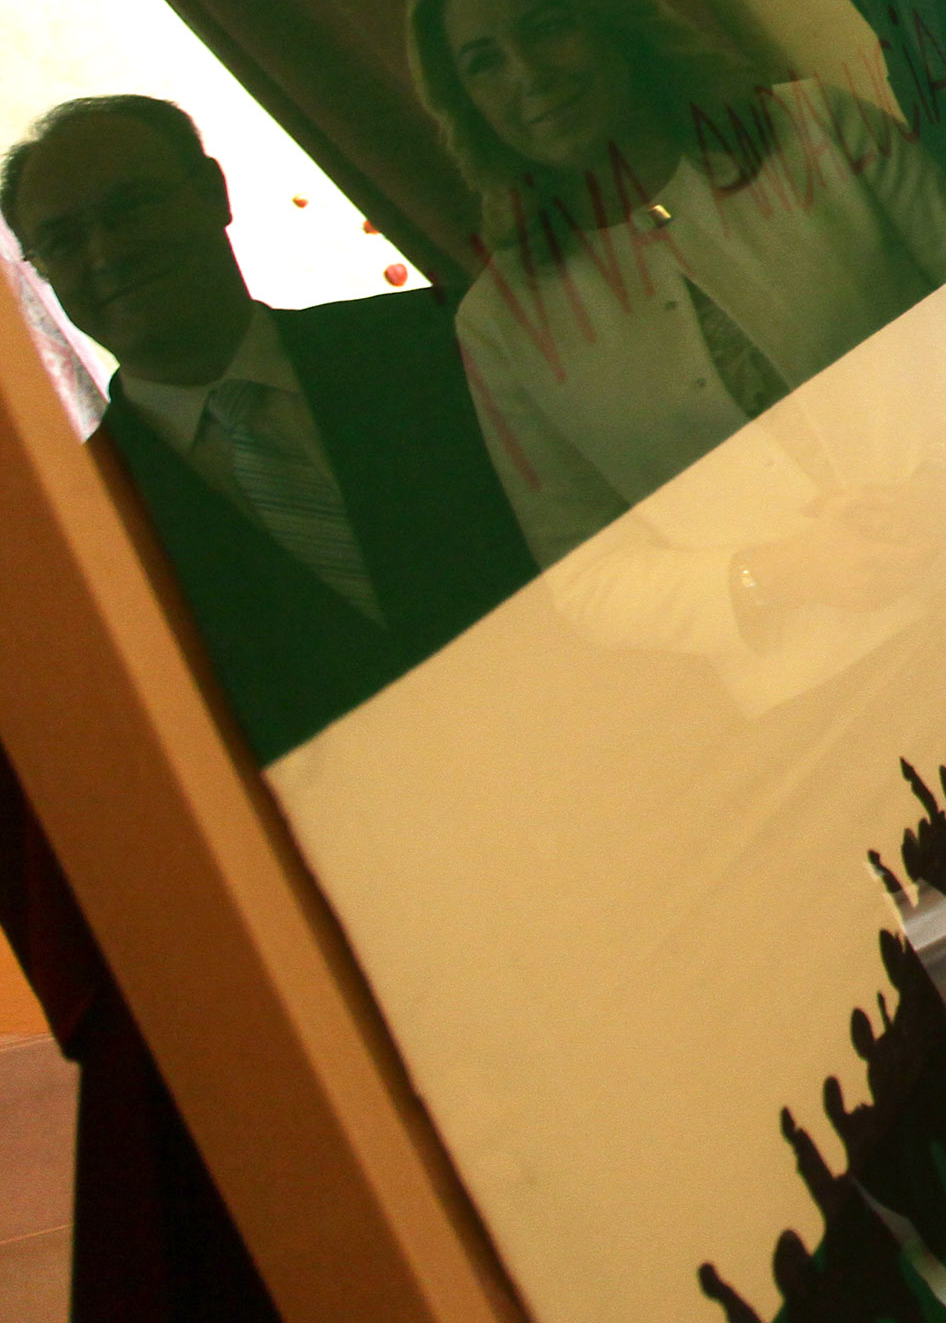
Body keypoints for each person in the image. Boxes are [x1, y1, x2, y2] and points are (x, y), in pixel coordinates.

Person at [0, 91, 547, 1319]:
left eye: (133, 207)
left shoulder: (444, 348)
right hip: (387, 1016)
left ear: (212, 192)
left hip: (603, 883)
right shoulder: (74, 558)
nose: (109, 253)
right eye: (66, 240)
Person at [405, 0, 946, 691]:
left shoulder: (815, 126)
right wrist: (782, 573)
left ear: (611, 17)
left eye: (548, 26)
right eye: (484, 62)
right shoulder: (501, 326)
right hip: (829, 683)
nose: (528, 74)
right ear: (463, 101)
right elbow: (588, 574)